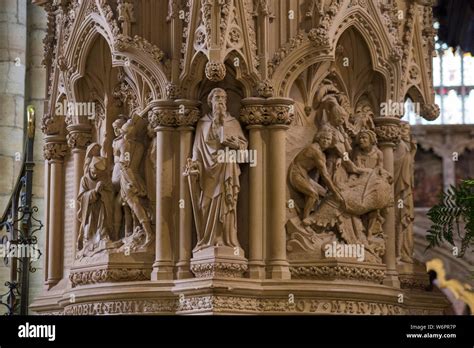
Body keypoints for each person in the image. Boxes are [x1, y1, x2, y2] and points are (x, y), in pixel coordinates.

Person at [185, 88, 247, 251]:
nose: (220, 101)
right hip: (207, 172)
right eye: (217, 98)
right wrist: (194, 167)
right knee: (205, 205)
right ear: (210, 101)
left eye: (223, 98)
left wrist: (236, 146)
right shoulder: (203, 123)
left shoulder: (233, 122)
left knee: (227, 204)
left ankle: (227, 240)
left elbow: (245, 153)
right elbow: (197, 150)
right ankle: (207, 241)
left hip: (227, 169)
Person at [288, 126, 345, 225]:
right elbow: (325, 175)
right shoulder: (315, 150)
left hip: (304, 175)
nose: (325, 141)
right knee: (313, 194)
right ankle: (304, 220)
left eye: (328, 139)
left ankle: (313, 215)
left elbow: (342, 151)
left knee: (324, 193)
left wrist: (341, 157)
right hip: (296, 173)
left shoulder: (322, 153)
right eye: (323, 138)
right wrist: (335, 192)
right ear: (319, 138)